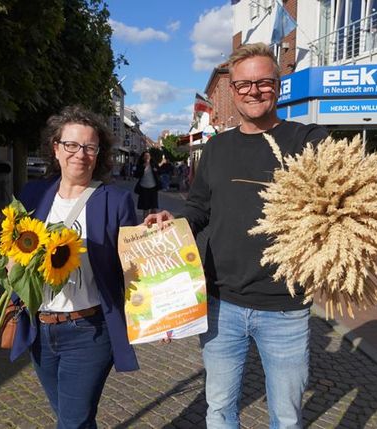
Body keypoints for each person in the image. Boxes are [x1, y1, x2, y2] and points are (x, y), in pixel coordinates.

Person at [145, 43, 328, 428]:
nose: (253, 91)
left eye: (264, 82)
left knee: (287, 416)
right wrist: (171, 222)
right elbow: (198, 209)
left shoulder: (308, 140)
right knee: (220, 410)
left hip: (285, 306)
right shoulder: (216, 148)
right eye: (244, 84)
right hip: (221, 304)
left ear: (279, 86)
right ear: (232, 91)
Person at [10, 105, 139, 428]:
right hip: (40, 329)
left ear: (99, 153)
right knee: (73, 418)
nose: (79, 154)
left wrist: (161, 317)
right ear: (56, 148)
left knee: (73, 421)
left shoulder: (115, 200)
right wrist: (13, 268)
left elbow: (136, 270)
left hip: (89, 332)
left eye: (89, 147)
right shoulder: (33, 194)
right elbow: (13, 259)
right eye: (71, 145)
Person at [134, 151, 160, 218]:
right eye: (145, 156)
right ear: (143, 157)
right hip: (144, 188)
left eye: (148, 156)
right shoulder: (140, 165)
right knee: (145, 209)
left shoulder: (153, 164)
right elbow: (136, 175)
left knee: (154, 208)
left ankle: (153, 223)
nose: (147, 157)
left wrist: (156, 170)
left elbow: (159, 171)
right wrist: (143, 168)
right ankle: (145, 224)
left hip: (153, 188)